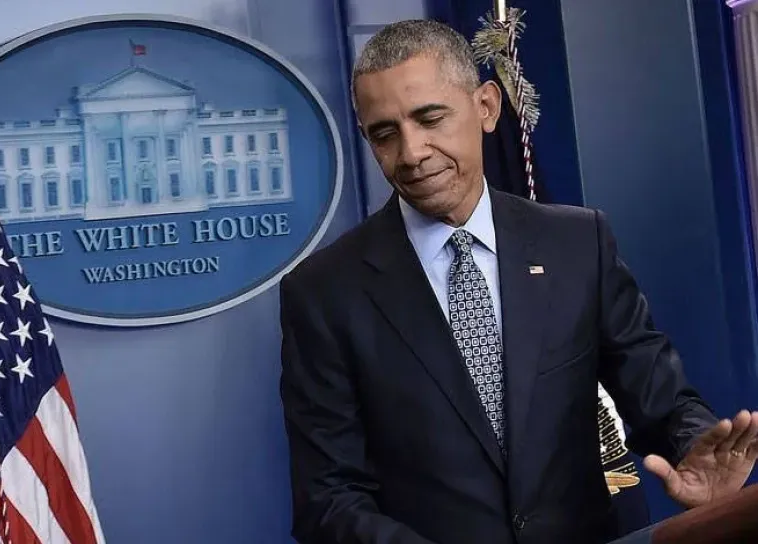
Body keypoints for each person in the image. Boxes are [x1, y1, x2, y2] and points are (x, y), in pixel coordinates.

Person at [277, 19, 758, 544]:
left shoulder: (578, 243)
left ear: (486, 107)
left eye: (430, 118)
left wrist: (693, 445)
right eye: (384, 133)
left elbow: (658, 396)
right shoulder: (325, 292)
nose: (411, 153)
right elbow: (327, 498)